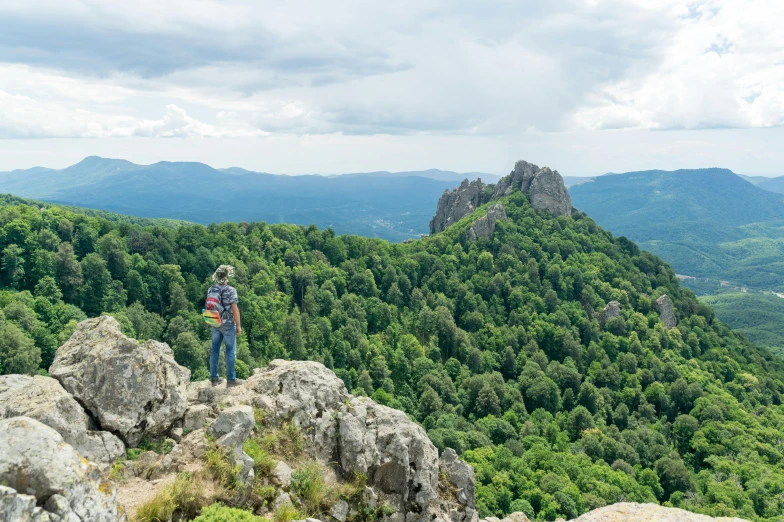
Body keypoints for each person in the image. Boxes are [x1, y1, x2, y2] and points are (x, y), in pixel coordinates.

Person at [208, 265, 243, 387]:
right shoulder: (230, 290)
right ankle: (231, 380)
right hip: (228, 324)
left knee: (214, 350)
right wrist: (238, 326)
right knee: (230, 352)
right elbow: (235, 309)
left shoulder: (211, 289)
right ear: (226, 277)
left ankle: (214, 379)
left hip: (215, 322)